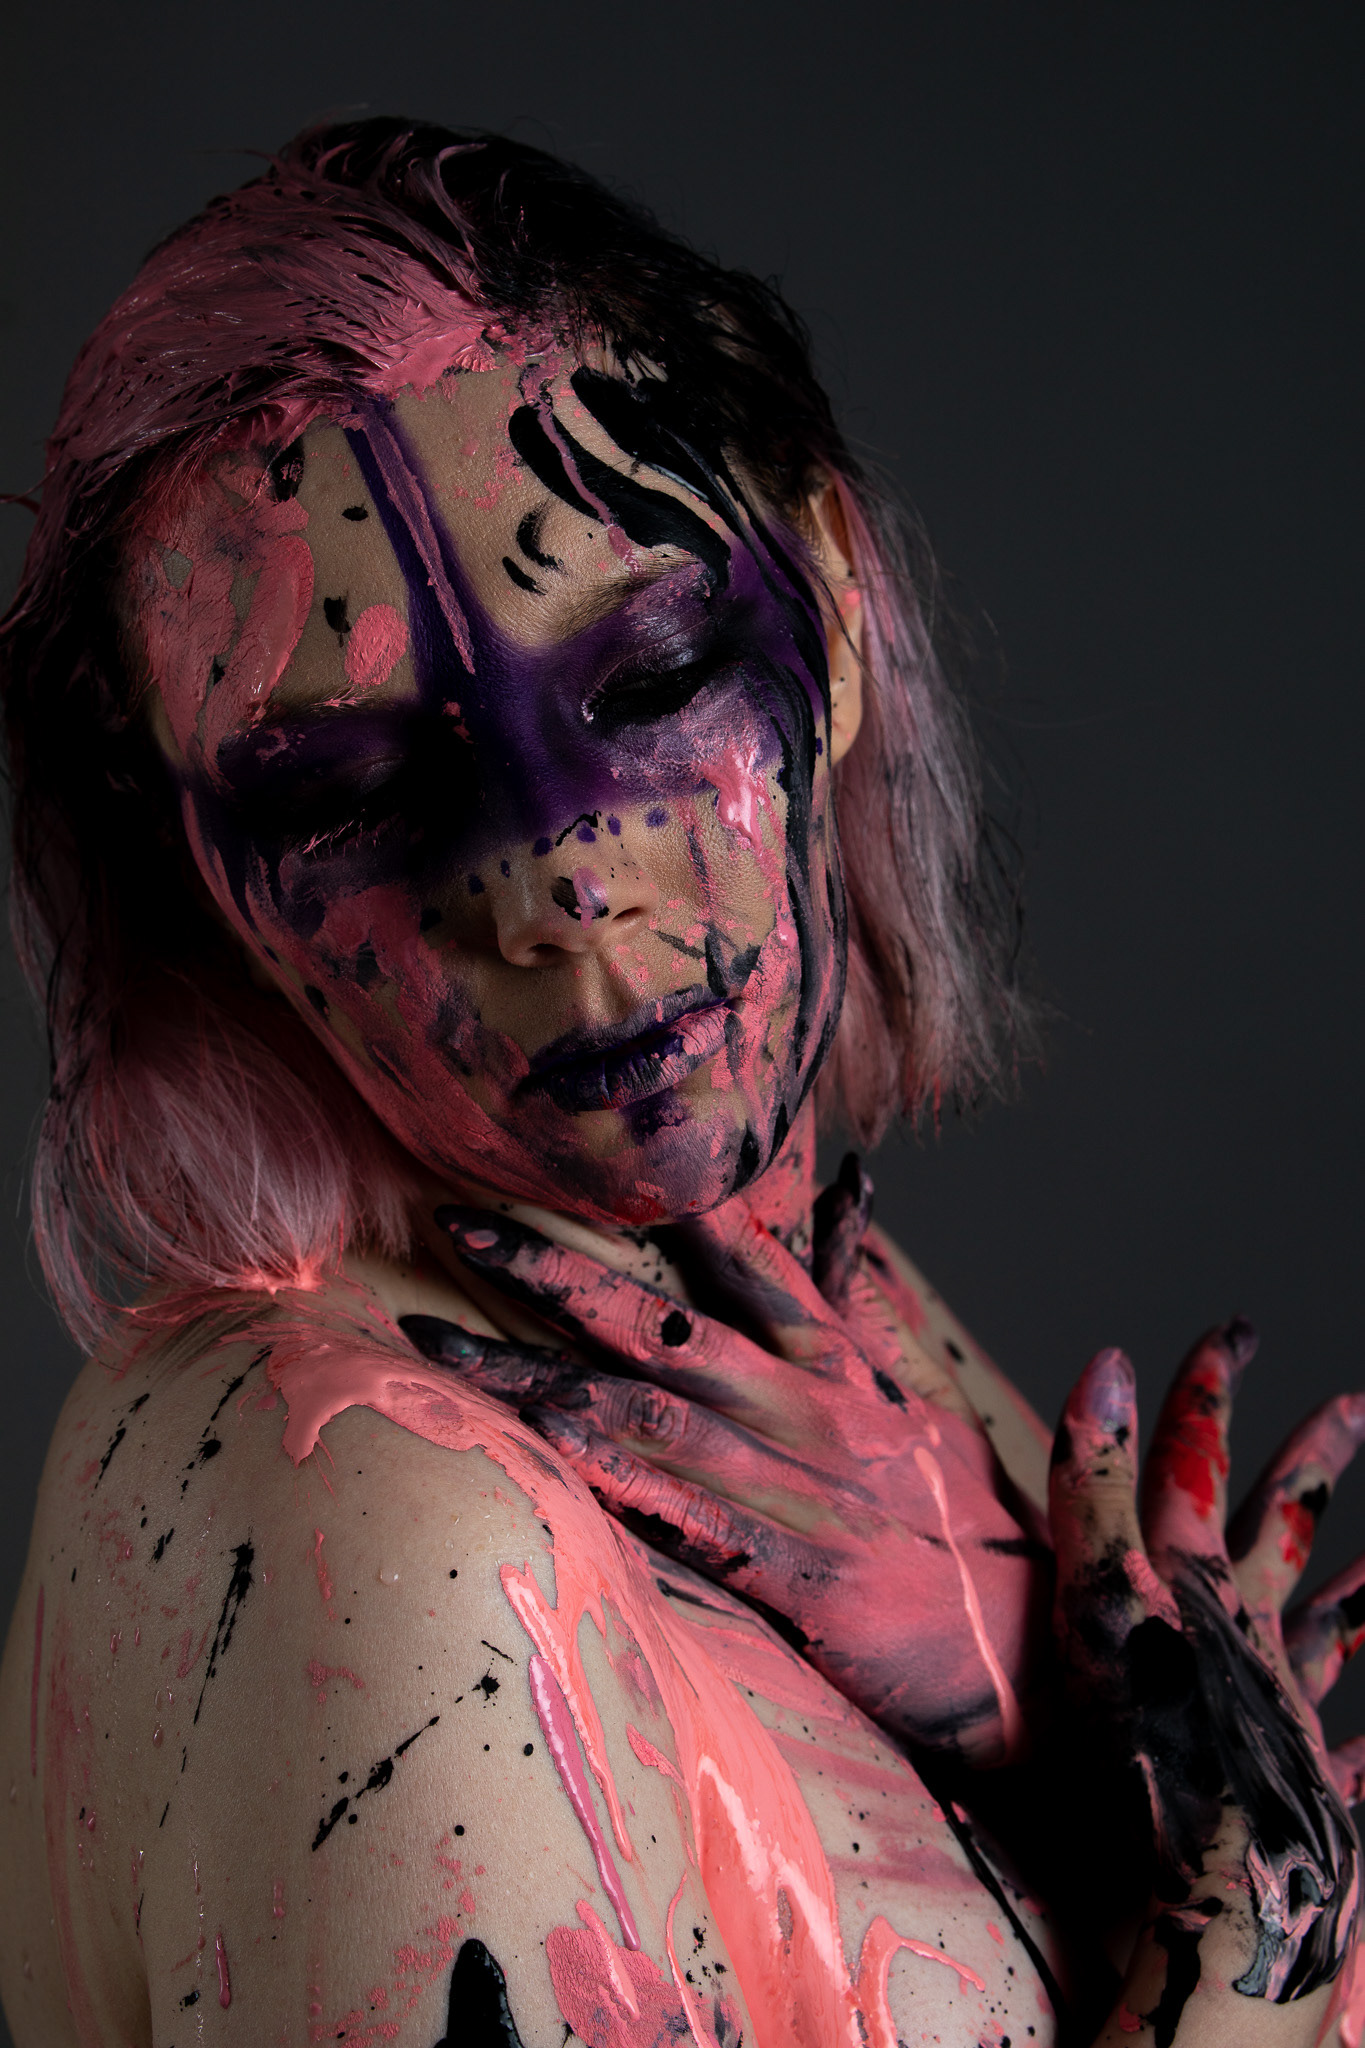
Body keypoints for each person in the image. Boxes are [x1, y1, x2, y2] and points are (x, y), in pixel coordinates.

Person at [0, 118, 1359, 2046]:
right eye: (355, 792)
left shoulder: (787, 1338)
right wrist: (1254, 1932)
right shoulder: (374, 1527)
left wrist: (1039, 1699)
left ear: (832, 595)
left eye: (645, 679)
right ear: (189, 867)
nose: (556, 877)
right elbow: (1244, 1921)